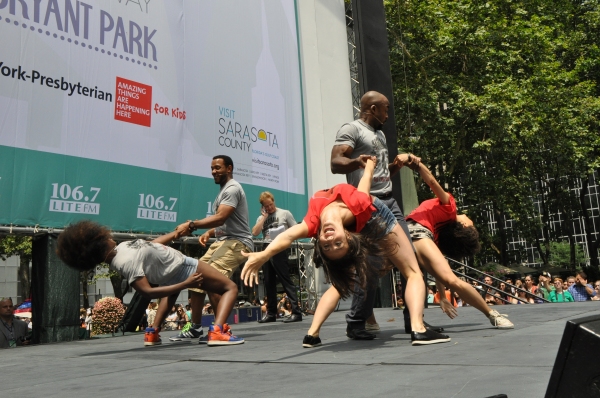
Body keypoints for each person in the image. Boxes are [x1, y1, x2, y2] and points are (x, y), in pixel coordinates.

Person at [241, 157, 451, 346]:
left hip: (367, 217)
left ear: (319, 240)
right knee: (412, 271)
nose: (330, 240)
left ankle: (312, 334)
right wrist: (369, 164)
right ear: (348, 237)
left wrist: (263, 254)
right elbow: (365, 184)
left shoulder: (313, 224)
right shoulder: (358, 205)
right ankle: (418, 329)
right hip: (379, 218)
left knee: (342, 282)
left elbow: (286, 237)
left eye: (327, 245)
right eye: (337, 245)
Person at [330, 90, 440, 338]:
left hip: (390, 201)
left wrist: (396, 166)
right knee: (371, 265)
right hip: (368, 205)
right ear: (372, 109)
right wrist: (357, 161)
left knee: (412, 260)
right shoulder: (352, 129)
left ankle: (414, 320)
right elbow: (336, 162)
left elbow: (381, 174)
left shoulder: (379, 134)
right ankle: (356, 321)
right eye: (385, 109)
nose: (388, 115)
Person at [56, 220, 244, 346]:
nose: (108, 235)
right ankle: (218, 331)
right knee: (230, 287)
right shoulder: (125, 262)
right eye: (103, 237)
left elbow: (150, 245)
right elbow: (147, 292)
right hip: (183, 267)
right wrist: (185, 283)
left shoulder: (121, 249)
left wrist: (175, 234)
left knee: (170, 297)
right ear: (98, 244)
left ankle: (152, 333)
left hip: (170, 270)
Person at [401, 160, 513, 328]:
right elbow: (441, 274)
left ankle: (492, 315)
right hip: (414, 237)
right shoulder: (437, 235)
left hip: (404, 234)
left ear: (465, 226)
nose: (468, 216)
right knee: (440, 279)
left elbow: (432, 181)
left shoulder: (449, 209)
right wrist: (443, 297)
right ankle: (491, 314)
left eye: (471, 222)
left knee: (421, 278)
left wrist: (417, 165)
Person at [170, 155, 254, 343]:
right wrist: (210, 232)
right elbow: (226, 224)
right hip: (224, 241)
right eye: (212, 168)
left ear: (229, 169)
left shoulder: (232, 188)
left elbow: (222, 218)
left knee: (213, 280)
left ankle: (219, 329)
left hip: (237, 243)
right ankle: (195, 328)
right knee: (196, 277)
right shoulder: (223, 191)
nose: (214, 171)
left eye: (218, 168)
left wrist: (192, 225)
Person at [251, 191, 302, 323]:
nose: (270, 208)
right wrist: (263, 217)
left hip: (279, 248)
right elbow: (255, 232)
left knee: (285, 280)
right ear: (262, 207)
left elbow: (296, 229)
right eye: (266, 206)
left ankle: (296, 312)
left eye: (271, 204)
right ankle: (271, 313)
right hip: (266, 249)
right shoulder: (261, 217)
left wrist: (284, 235)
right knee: (269, 282)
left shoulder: (284, 213)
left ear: (274, 201)